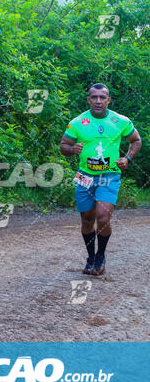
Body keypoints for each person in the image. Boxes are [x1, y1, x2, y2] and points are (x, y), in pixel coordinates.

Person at [60, 83, 141, 276]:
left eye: (102, 97)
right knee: (87, 219)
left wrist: (127, 158)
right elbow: (63, 145)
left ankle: (100, 255)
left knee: (103, 217)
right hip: (85, 176)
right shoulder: (78, 122)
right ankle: (90, 257)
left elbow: (136, 140)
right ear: (88, 99)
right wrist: (72, 150)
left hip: (109, 175)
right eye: (94, 97)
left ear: (108, 100)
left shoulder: (120, 121)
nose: (98, 101)